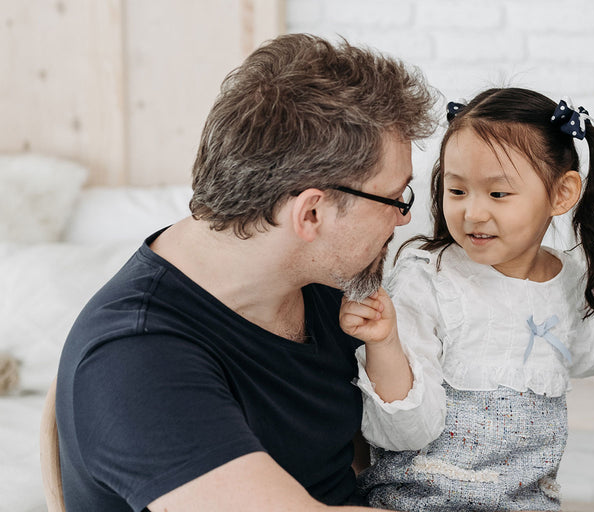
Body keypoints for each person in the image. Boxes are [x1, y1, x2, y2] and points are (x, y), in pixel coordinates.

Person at [54, 34, 436, 511]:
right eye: (396, 197)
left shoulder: (323, 286)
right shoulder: (135, 359)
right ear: (311, 214)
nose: (403, 218)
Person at [339, 87, 594, 511]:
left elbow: (593, 347)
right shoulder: (428, 278)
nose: (473, 213)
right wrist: (385, 345)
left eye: (497, 194)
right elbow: (402, 434)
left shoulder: (567, 281)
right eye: (457, 192)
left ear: (561, 194)